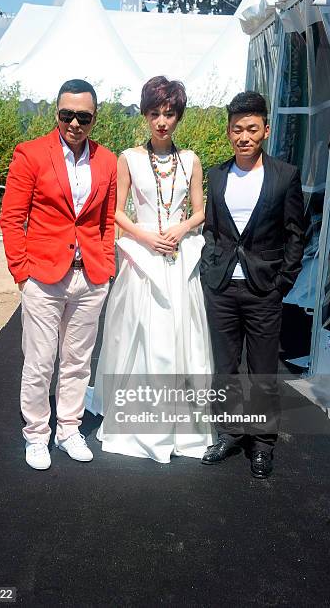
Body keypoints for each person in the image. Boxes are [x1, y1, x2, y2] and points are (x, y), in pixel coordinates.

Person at [90, 76, 212, 463]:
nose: (162, 121)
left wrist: (181, 228)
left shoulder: (190, 159)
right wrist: (144, 237)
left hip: (177, 259)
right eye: (156, 113)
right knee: (136, 335)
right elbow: (116, 211)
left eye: (170, 114)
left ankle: (181, 424)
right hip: (142, 260)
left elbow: (200, 210)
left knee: (180, 336)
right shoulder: (129, 158)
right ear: (145, 114)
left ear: (179, 117)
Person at [0, 79, 117, 470]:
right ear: (56, 113)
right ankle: (36, 433)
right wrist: (21, 272)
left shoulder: (107, 161)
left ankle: (69, 428)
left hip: (90, 278)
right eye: (67, 114)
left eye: (83, 116)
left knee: (78, 361)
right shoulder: (31, 154)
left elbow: (106, 220)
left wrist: (106, 267)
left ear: (94, 118)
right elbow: (12, 218)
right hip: (43, 277)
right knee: (39, 361)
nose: (74, 123)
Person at [200, 91, 305, 478]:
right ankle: (228, 434)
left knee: (262, 370)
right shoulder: (216, 175)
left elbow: (297, 233)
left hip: (265, 290)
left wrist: (283, 282)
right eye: (236, 129)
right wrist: (211, 270)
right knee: (224, 368)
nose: (244, 136)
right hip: (223, 288)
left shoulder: (284, 175)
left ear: (265, 130)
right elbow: (212, 230)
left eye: (251, 129)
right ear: (229, 132)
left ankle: (262, 445)